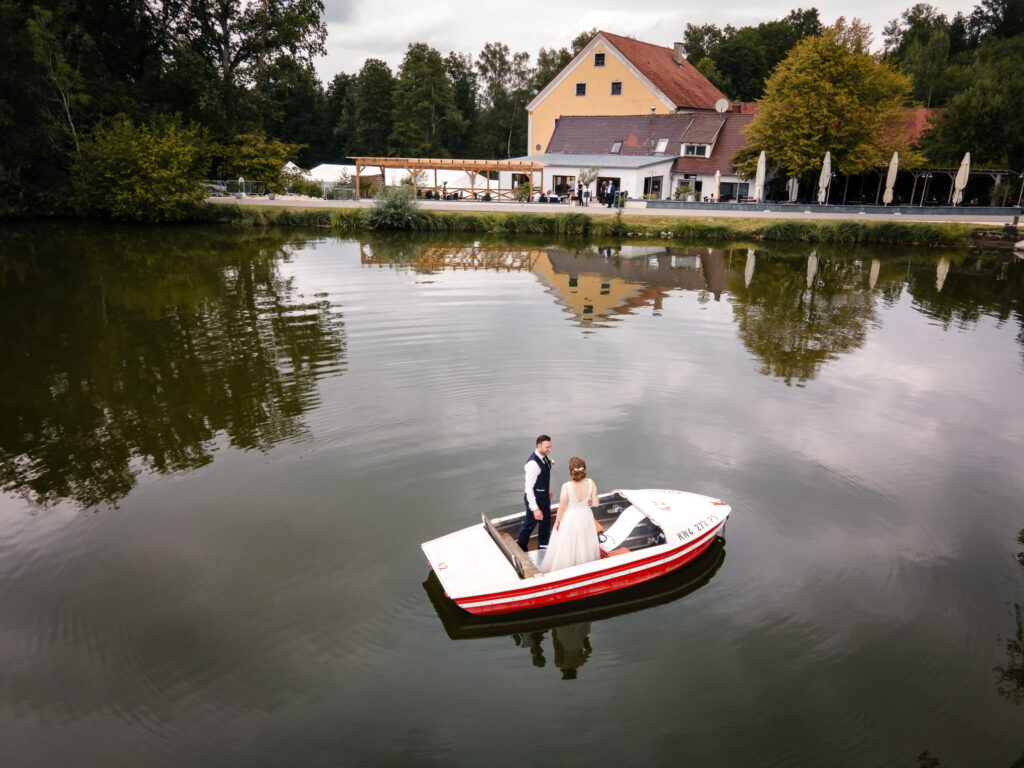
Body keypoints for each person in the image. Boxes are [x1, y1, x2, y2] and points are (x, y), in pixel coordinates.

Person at [541, 457, 601, 572]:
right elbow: (595, 503)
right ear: (584, 469)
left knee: (567, 543)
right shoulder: (591, 482)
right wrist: (585, 501)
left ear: (570, 469)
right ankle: (585, 569)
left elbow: (562, 507)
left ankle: (567, 570)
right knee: (584, 542)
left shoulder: (567, 486)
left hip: (571, 516)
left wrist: (558, 521)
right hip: (585, 515)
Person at [517, 435, 553, 552]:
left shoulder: (544, 456)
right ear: (539, 446)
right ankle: (521, 547)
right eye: (547, 447)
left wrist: (547, 489)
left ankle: (543, 543)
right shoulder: (532, 464)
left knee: (546, 520)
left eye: (550, 447)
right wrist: (535, 508)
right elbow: (528, 489)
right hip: (535, 499)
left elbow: (542, 478)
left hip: (544, 496)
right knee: (529, 525)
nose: (549, 449)